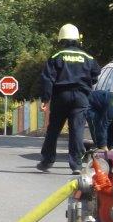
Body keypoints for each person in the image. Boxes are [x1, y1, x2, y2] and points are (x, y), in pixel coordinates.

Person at [37, 24, 100, 173]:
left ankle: (47, 161)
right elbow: (96, 74)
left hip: (61, 96)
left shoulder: (56, 56)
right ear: (77, 39)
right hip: (81, 97)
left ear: (62, 39)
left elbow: (47, 79)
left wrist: (45, 99)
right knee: (77, 131)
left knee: (53, 130)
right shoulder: (88, 57)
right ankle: (76, 165)